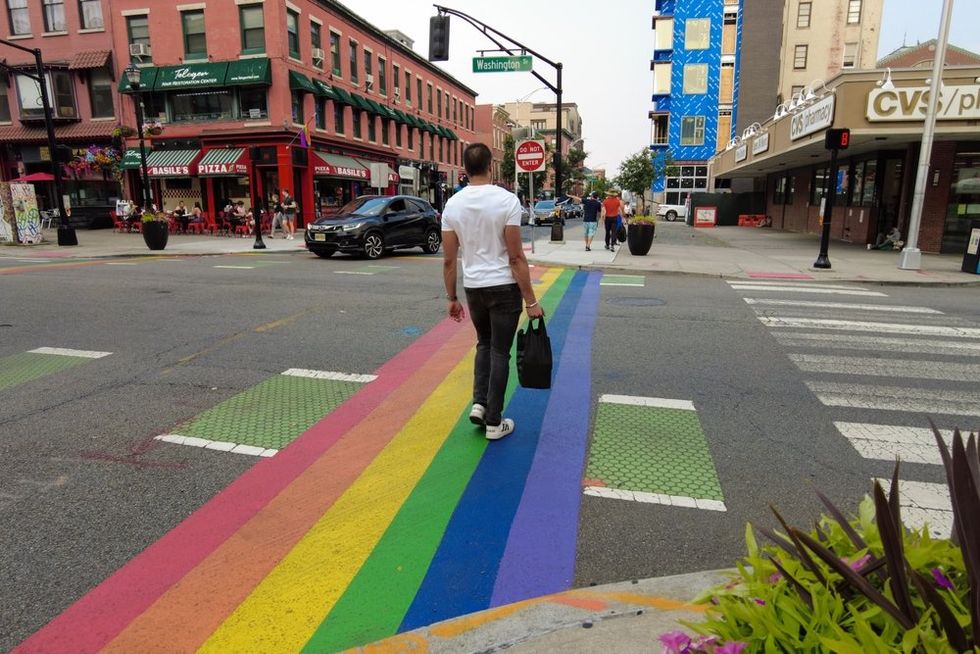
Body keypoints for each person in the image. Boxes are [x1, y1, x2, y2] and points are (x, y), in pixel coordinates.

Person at [441, 143, 544, 441]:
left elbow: (449, 260)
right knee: (500, 351)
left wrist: (452, 299)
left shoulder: (452, 205)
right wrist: (531, 301)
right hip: (503, 287)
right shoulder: (507, 201)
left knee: (483, 345)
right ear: (490, 167)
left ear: (464, 169)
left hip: (474, 288)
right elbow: (515, 257)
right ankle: (495, 423)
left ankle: (479, 404)